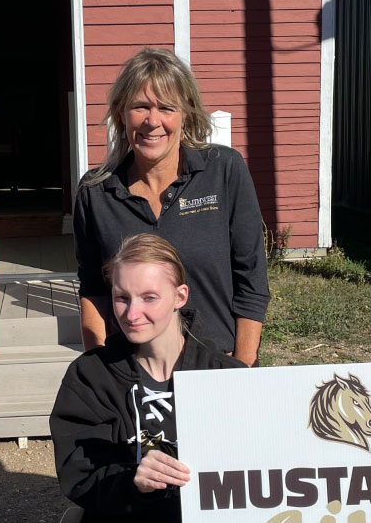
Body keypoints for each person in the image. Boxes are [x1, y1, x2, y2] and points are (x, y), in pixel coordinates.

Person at [74, 47, 270, 366]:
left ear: (185, 114)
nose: (153, 121)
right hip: (131, 372)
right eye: (140, 106)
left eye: (166, 107)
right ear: (121, 113)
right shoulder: (95, 192)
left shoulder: (224, 172)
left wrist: (241, 370)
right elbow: (94, 291)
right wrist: (97, 371)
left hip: (217, 365)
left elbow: (252, 281)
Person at [51, 233, 245, 522]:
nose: (132, 314)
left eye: (149, 298)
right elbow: (80, 476)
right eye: (122, 298)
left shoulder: (228, 377)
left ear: (180, 296)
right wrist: (133, 482)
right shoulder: (90, 377)